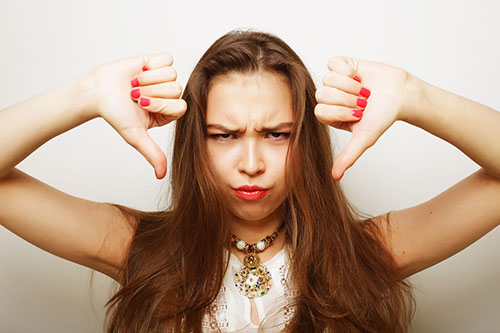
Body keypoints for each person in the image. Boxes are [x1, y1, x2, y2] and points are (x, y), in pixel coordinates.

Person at [0, 29, 499, 332]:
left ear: (306, 139)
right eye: (224, 135)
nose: (252, 161)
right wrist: (86, 93)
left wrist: (415, 96)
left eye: (277, 134)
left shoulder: (366, 251)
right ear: (196, 143)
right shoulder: (138, 246)